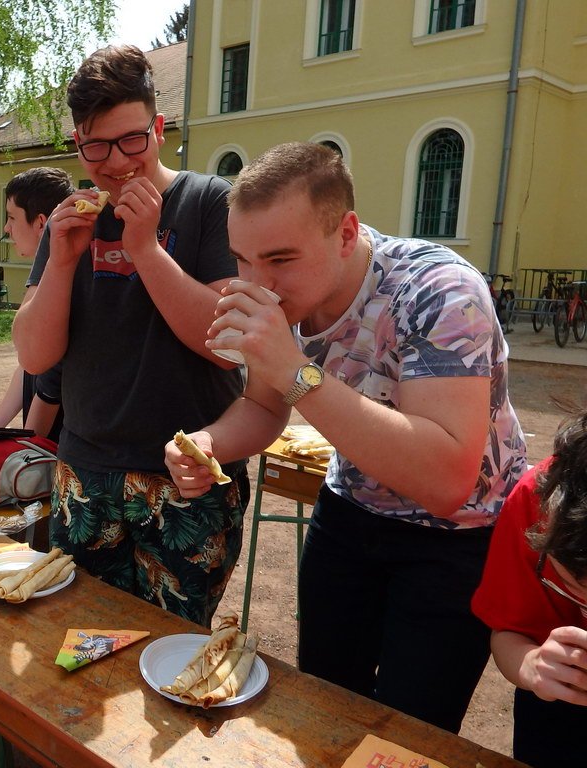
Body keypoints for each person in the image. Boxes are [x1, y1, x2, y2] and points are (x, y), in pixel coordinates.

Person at [164, 141, 526, 732]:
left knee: (410, 733)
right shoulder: (282, 297)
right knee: (325, 709)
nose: (258, 284)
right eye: (242, 260)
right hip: (350, 512)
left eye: (280, 259)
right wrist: (209, 443)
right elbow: (262, 406)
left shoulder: (440, 291)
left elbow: (445, 483)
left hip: (457, 538)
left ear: (346, 232)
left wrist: (294, 371)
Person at [12, 45, 270, 627]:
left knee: (167, 649)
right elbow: (34, 354)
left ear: (158, 128)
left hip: (187, 479)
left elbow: (225, 343)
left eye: (132, 139)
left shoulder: (209, 202)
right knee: (77, 638)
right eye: (96, 146)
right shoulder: (69, 220)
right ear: (78, 142)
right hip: (84, 471)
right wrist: (60, 262)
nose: (116, 161)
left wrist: (146, 249)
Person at [472, 412, 587, 767]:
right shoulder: (536, 500)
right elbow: (508, 632)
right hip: (559, 708)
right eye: (574, 588)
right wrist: (533, 666)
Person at [0, 167, 74, 441]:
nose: (7, 228)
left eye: (11, 217)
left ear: (41, 224)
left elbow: (51, 383)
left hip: (57, 447)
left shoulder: (62, 281)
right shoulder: (47, 274)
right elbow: (27, 362)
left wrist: (25, 446)